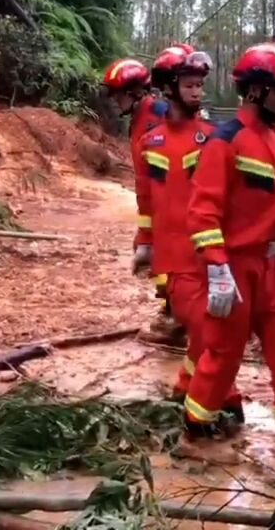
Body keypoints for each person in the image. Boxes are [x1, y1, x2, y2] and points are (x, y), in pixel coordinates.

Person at [185, 43, 275, 472]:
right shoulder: (224, 141)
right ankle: (194, 427)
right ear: (254, 92)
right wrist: (216, 268)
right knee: (224, 352)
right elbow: (203, 211)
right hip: (237, 264)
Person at [133, 46, 242, 423]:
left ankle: (190, 392)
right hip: (174, 261)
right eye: (189, 84)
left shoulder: (216, 138)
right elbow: (145, 198)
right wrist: (143, 244)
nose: (197, 91)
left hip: (210, 255)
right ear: (167, 88)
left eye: (200, 84)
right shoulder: (150, 143)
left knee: (210, 333)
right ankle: (224, 401)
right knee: (207, 332)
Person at [104, 57, 183, 346]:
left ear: (136, 92)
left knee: (170, 263)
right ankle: (173, 314)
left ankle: (177, 321)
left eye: (118, 94)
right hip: (157, 206)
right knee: (159, 263)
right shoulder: (140, 120)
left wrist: (150, 234)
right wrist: (145, 233)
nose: (114, 100)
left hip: (173, 205)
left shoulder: (159, 116)